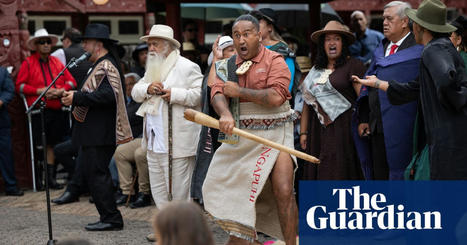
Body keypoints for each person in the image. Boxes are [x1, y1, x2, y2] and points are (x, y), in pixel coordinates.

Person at [204, 14, 297, 245]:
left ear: (259, 35)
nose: (241, 40)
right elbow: (216, 92)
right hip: (242, 136)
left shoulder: (275, 60)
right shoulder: (226, 65)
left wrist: (240, 92)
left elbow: (277, 97)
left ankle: (291, 243)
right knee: (232, 191)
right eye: (236, 35)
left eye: (246, 34)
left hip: (277, 133)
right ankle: (248, 241)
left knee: (284, 190)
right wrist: (225, 113)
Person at [353, 0, 467, 180]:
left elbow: (446, 83)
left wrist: (449, 110)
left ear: (421, 27)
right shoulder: (441, 46)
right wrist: (377, 84)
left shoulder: (433, 50)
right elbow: (414, 87)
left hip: (447, 137)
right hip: (447, 136)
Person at [61, 23, 132, 230]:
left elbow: (109, 96)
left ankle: (112, 219)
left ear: (98, 44)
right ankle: (107, 216)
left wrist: (77, 97)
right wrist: (74, 96)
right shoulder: (99, 64)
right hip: (93, 132)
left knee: (98, 174)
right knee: (93, 174)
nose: (83, 46)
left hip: (100, 133)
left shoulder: (107, 65)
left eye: (86, 42)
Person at [132, 24, 202, 207]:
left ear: (168, 45)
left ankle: (181, 231)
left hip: (179, 140)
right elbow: (135, 92)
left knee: (179, 190)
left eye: (155, 44)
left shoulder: (188, 66)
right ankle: (166, 229)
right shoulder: (152, 67)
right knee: (158, 188)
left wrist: (175, 94)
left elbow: (200, 95)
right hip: (155, 139)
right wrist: (147, 88)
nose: (151, 49)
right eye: (149, 45)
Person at [355, 1, 422, 180]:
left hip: (404, 127)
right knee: (381, 176)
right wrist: (364, 118)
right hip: (377, 126)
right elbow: (368, 83)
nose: (384, 22)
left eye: (389, 18)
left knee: (403, 176)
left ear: (404, 21)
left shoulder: (417, 48)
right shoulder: (382, 48)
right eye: (384, 18)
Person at [299, 20, 366, 180]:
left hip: (343, 130)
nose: (332, 43)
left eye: (336, 39)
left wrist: (364, 121)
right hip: (317, 130)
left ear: (343, 43)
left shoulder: (354, 65)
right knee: (319, 167)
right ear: (323, 45)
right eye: (328, 39)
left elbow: (363, 98)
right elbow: (307, 104)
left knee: (338, 170)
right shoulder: (316, 69)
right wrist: (303, 132)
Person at [16, 28, 77, 190]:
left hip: (57, 109)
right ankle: (40, 179)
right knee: (40, 145)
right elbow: (20, 86)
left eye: (48, 42)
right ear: (35, 45)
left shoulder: (57, 62)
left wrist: (60, 90)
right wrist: (39, 91)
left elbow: (72, 82)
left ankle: (50, 179)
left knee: (53, 144)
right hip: (38, 110)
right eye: (41, 42)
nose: (45, 45)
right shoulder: (28, 63)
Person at [191, 35, 235, 204]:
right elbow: (212, 91)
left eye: (235, 49)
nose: (235, 53)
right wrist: (216, 59)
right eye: (230, 50)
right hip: (219, 125)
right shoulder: (214, 70)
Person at [114, 72, 151, 209]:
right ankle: (127, 191)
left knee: (139, 154)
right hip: (134, 139)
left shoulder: (141, 101)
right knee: (120, 152)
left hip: (146, 137)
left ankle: (144, 193)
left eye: (131, 84)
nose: (128, 87)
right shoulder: (125, 102)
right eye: (126, 85)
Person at [249, 9, 299, 94]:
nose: (253, 26)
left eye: (258, 22)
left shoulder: (283, 51)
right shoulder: (249, 51)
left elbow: (286, 88)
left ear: (270, 27)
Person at [0, 66, 24, 196]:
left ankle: (11, 186)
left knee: (6, 155)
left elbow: (9, 90)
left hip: (1, 122)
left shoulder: (2, 72)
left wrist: (1, 101)